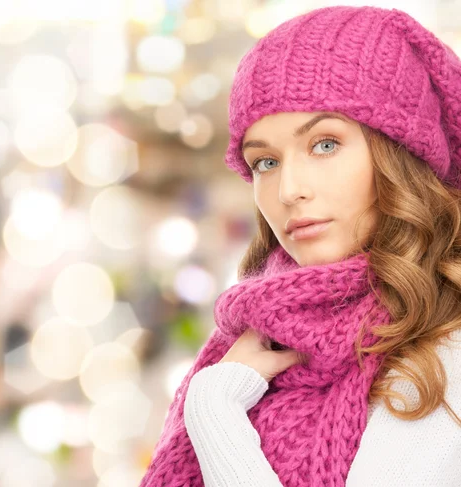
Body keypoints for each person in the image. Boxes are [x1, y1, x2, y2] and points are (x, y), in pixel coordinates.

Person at [140, 5, 461, 487]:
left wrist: (214, 408)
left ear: (400, 152)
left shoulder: (442, 356)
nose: (288, 189)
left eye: (325, 144)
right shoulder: (260, 334)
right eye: (265, 162)